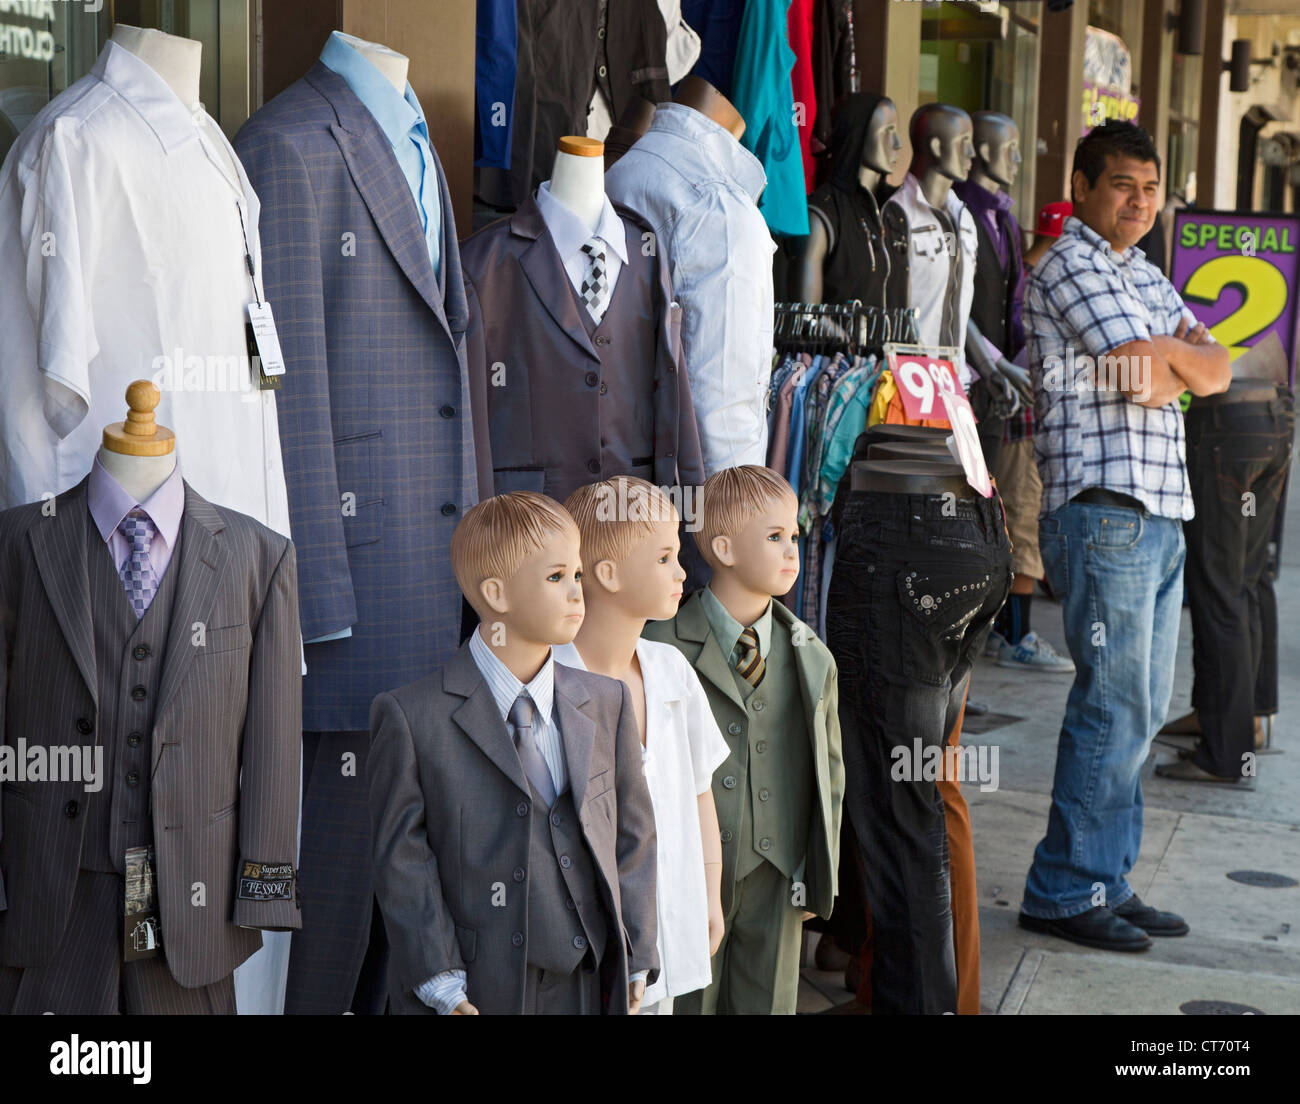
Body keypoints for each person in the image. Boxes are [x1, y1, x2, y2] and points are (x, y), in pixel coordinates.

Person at [1018, 122, 1230, 953]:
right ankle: (1065, 890)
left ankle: (1106, 875)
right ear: (1082, 185)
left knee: (1137, 710)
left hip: (1157, 510)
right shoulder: (1069, 263)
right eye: (1121, 185)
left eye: (1150, 187)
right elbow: (1144, 377)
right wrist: (1171, 358)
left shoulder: (1141, 272)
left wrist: (1171, 355)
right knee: (1110, 705)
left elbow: (1215, 372)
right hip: (1105, 511)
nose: (1139, 202)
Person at [557, 477, 729, 1015]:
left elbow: (701, 791)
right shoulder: (551, 684)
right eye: (664, 558)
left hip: (670, 919)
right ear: (606, 574)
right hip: (590, 944)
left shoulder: (672, 672)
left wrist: (709, 891)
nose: (683, 572)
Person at [985, 199, 1075, 673]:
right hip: (1022, 419)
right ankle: (1014, 637)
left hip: (1018, 416)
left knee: (1015, 523)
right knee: (1020, 525)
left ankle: (1005, 632)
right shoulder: (1042, 280)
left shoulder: (1024, 272)